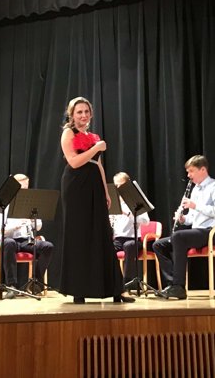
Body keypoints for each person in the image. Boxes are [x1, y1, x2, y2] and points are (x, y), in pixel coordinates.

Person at [59, 97, 134, 304]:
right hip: (76, 185)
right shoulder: (68, 133)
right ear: (72, 115)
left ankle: (116, 290)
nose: (83, 115)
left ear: (90, 114)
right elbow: (74, 162)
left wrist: (106, 191)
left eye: (86, 111)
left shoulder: (92, 136)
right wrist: (96, 148)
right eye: (79, 112)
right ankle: (78, 290)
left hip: (94, 184)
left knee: (102, 234)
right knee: (79, 235)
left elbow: (97, 165)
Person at [153, 155, 215, 300]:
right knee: (158, 245)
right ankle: (172, 284)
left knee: (178, 236)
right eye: (188, 172)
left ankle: (179, 286)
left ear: (203, 169)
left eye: (191, 171)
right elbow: (193, 218)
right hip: (199, 232)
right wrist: (183, 219)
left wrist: (195, 206)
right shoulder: (195, 190)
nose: (188, 175)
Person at [0, 173, 54, 299]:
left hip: (26, 240)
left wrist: (33, 221)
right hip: (10, 239)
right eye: (21, 188)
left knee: (48, 246)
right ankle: (12, 286)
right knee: (9, 243)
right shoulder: (3, 204)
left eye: (26, 188)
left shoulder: (29, 203)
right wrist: (17, 224)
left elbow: (39, 226)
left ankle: (36, 283)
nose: (24, 191)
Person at [111, 172, 150, 290]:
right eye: (115, 185)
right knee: (104, 248)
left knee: (129, 246)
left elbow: (146, 221)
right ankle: (109, 281)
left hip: (133, 239)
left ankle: (127, 282)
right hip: (118, 240)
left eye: (120, 185)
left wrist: (129, 214)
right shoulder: (114, 202)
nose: (117, 188)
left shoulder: (135, 201)